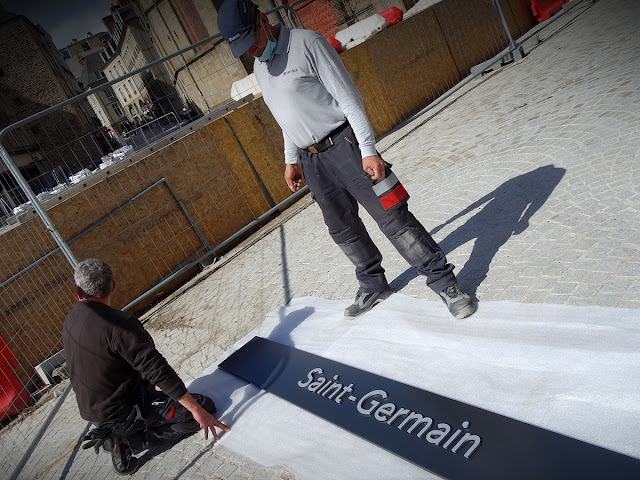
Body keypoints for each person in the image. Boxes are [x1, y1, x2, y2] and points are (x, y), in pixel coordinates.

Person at [217, 0, 476, 320]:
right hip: (313, 163)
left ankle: (445, 283)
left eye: (252, 41)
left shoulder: (307, 44)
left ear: (262, 20)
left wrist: (368, 149)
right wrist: (291, 159)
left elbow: (348, 97)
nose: (253, 51)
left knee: (393, 216)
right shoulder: (260, 67)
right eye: (244, 49)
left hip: (346, 146)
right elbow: (286, 117)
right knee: (342, 228)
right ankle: (373, 284)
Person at [63, 259, 229, 475]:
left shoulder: (71, 318)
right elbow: (156, 369)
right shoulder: (119, 325)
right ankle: (128, 442)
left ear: (78, 291)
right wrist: (196, 410)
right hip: (123, 412)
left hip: (93, 412)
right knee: (204, 407)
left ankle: (124, 431)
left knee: (148, 386)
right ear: (113, 286)